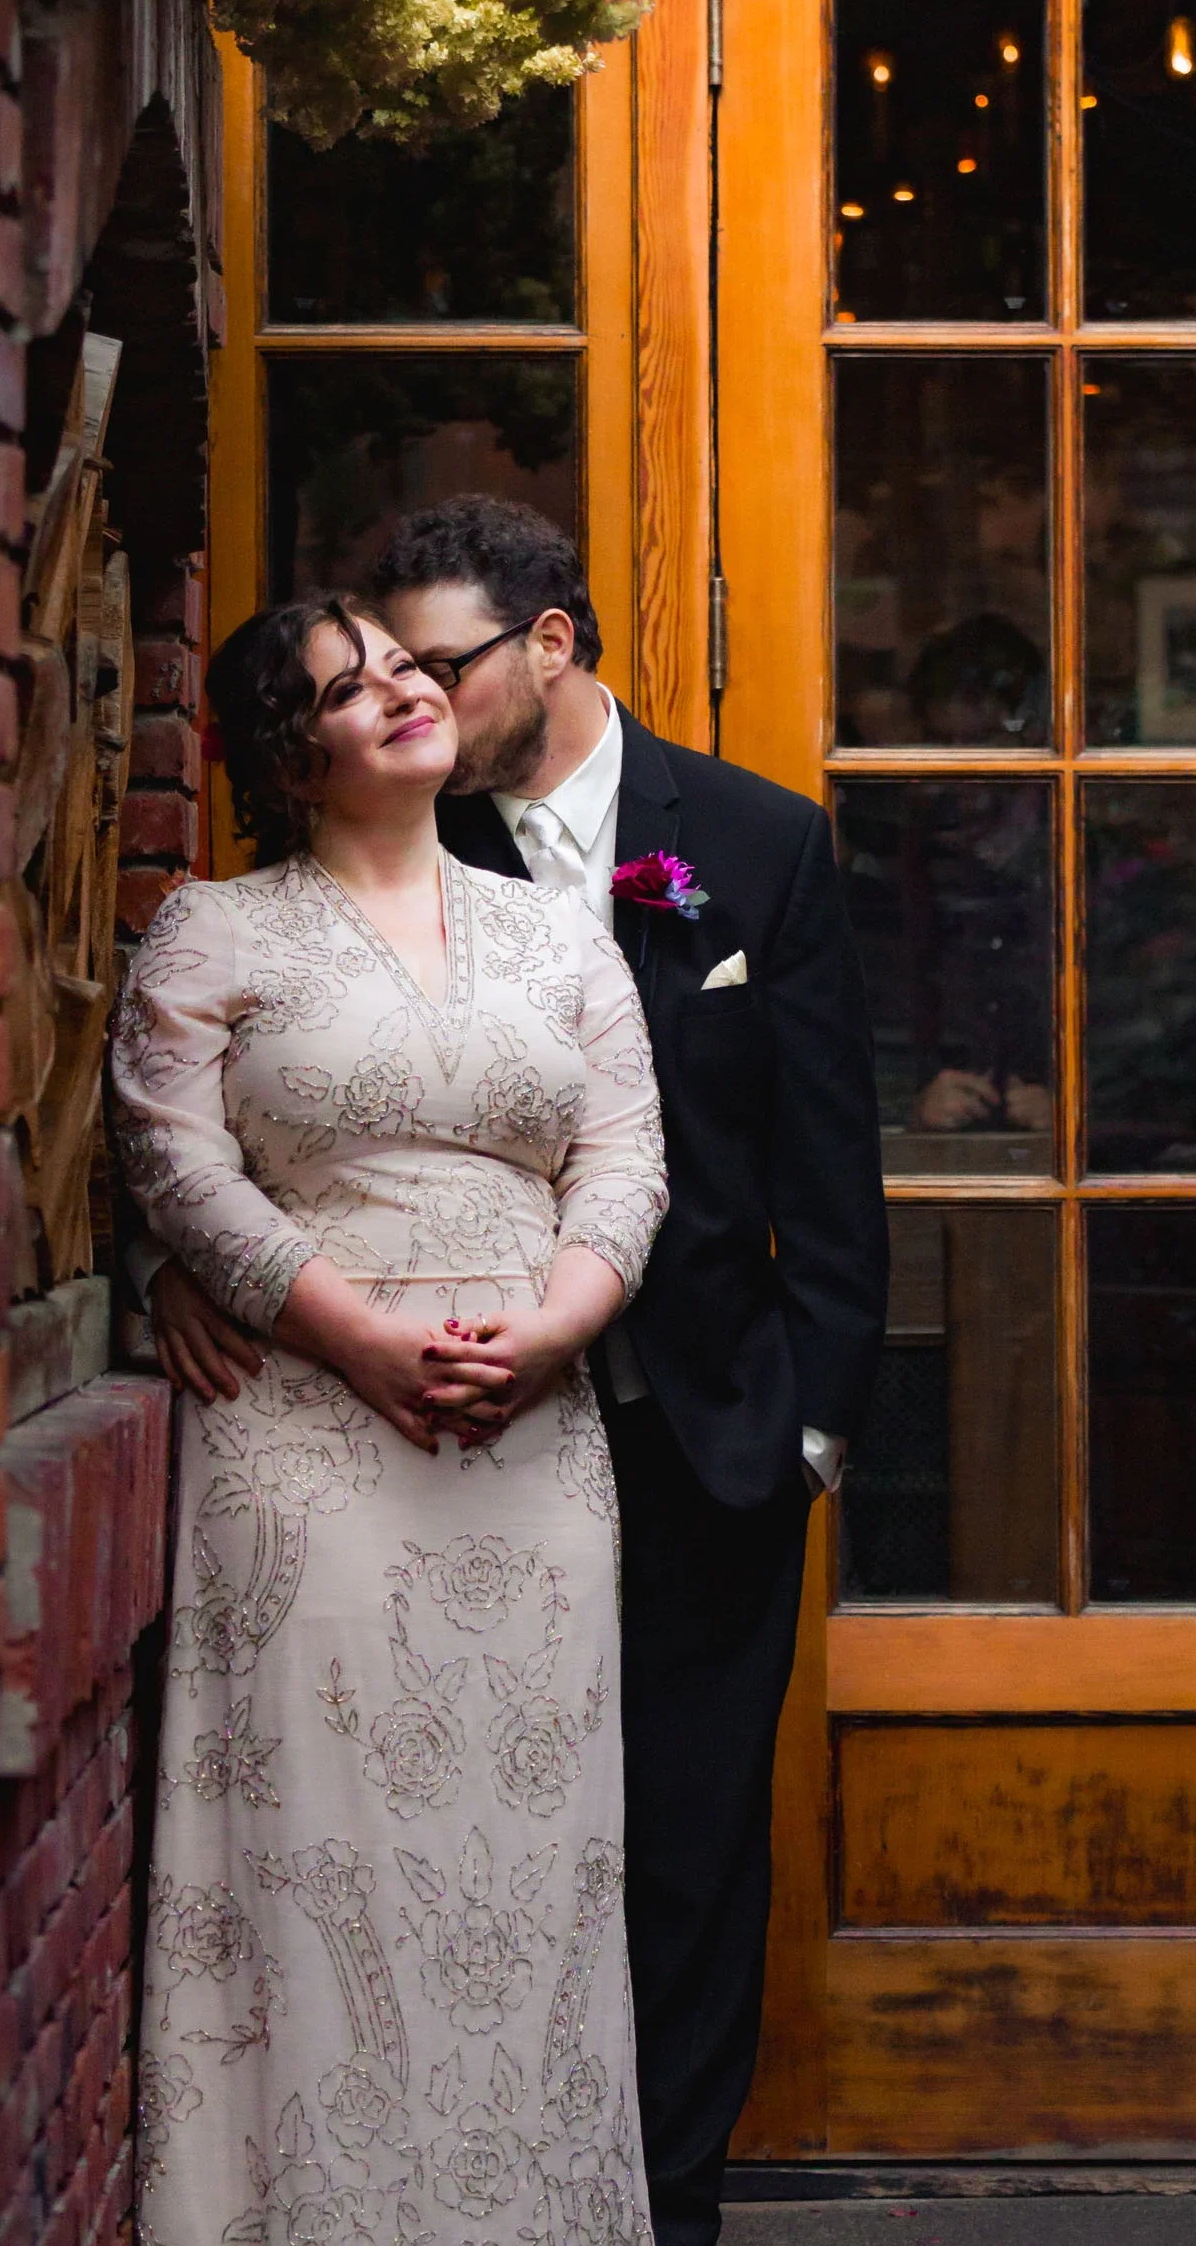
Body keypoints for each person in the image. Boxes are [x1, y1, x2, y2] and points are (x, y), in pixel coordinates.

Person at [150, 502, 890, 2246]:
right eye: (376, 664)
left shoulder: (758, 847)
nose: (411, 687)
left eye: (439, 656)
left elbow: (824, 1156)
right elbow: (226, 1114)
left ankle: (664, 2215)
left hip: (693, 1426)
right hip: (404, 1440)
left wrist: (811, 1431)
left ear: (546, 647)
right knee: (449, 1852)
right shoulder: (386, 829)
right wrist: (187, 1272)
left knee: (684, 1854)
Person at [112, 592, 669, 2246]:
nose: (404, 693)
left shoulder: (560, 936)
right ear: (293, 760)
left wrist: (561, 1328)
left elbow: (626, 1166)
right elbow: (173, 1162)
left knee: (529, 1858)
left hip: (534, 1439)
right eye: (350, 690)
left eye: (410, 665)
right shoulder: (211, 934)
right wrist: (352, 1337)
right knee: (325, 1853)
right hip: (303, 1435)